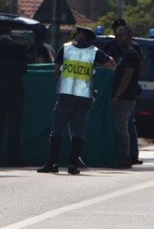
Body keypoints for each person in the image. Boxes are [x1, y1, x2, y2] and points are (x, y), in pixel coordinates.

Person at [38, 26, 115, 175]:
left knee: (57, 129)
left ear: (80, 35)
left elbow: (56, 71)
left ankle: (51, 163)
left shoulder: (65, 48)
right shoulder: (95, 51)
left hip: (65, 93)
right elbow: (111, 65)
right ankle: (73, 165)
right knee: (78, 132)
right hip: (84, 96)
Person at [101, 18, 143, 164]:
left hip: (125, 96)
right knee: (118, 125)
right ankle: (119, 153)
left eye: (122, 35)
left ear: (130, 37)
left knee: (122, 125)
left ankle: (127, 155)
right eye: (117, 35)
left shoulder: (131, 54)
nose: (119, 38)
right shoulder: (112, 48)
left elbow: (127, 77)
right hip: (118, 95)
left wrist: (117, 95)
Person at [0, 24, 28, 166]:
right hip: (15, 89)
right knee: (14, 126)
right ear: (10, 32)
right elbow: (23, 69)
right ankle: (14, 158)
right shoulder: (19, 47)